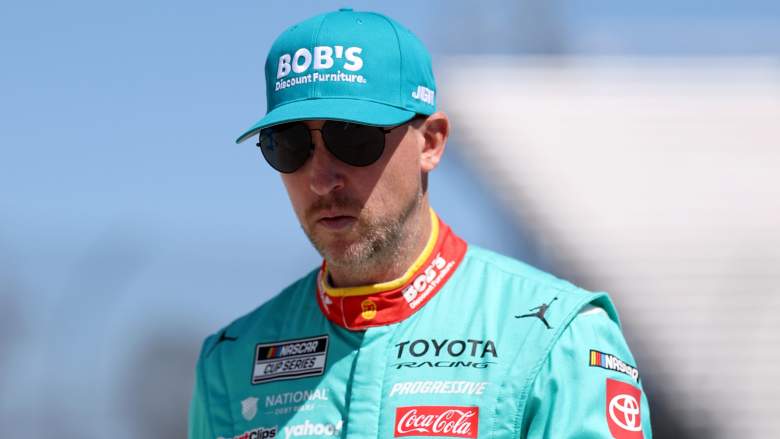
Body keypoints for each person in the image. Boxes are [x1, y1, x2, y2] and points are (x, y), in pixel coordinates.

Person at [189, 8, 652, 439]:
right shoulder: (231, 361)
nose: (321, 179)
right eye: (288, 144)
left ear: (430, 142)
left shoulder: (558, 339)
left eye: (354, 138)